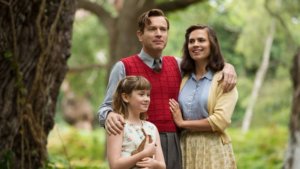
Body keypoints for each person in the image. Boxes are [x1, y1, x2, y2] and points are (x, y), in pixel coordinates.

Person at [98, 9, 237, 169]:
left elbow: (203, 63)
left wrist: (228, 66)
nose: (159, 34)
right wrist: (108, 115)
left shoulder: (178, 65)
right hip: (138, 145)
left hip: (175, 143)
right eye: (152, 29)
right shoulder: (123, 67)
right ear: (140, 35)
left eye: (163, 29)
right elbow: (105, 108)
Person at [169, 24, 238, 169]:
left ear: (212, 44)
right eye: (191, 41)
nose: (195, 45)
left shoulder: (224, 79)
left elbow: (220, 121)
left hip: (212, 148)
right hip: (185, 147)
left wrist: (182, 123)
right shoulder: (183, 76)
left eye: (201, 40)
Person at [107, 76, 165, 169]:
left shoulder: (152, 128)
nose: (147, 99)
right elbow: (115, 165)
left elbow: (162, 165)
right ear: (126, 97)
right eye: (141, 94)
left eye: (148, 95)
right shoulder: (118, 125)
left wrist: (154, 164)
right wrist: (144, 154)